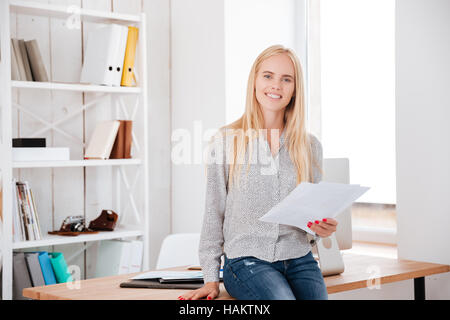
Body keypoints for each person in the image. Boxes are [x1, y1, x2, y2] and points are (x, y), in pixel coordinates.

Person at [178, 45, 337, 300]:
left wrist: (319, 228)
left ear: (295, 89)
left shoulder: (310, 147)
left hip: (299, 259)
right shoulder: (227, 142)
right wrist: (210, 278)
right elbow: (212, 214)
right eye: (268, 76)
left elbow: (309, 220)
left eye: (286, 79)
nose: (276, 85)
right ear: (254, 81)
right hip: (245, 262)